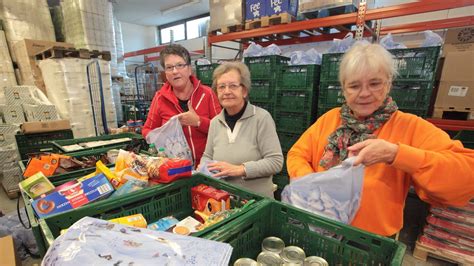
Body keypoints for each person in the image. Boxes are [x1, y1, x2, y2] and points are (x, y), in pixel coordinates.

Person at [287, 42, 474, 236]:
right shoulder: (331, 119)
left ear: (389, 83)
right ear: (343, 89)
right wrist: (308, 180)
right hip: (320, 231)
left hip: (369, 243)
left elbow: (467, 177)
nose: (365, 93)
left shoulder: (409, 127)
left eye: (375, 83)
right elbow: (297, 153)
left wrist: (395, 154)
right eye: (354, 86)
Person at [201, 61, 283, 198]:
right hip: (222, 201)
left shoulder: (261, 118)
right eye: (221, 87)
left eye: (233, 86)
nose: (226, 92)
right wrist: (203, 167)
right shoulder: (215, 122)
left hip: (255, 203)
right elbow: (207, 156)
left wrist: (240, 169)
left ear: (244, 91)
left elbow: (275, 162)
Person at [142, 44, 221, 166]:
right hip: (175, 169)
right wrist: (163, 134)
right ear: (165, 73)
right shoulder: (159, 98)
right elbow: (147, 130)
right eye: (169, 67)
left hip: (207, 168)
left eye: (180, 65)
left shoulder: (207, 94)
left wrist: (198, 122)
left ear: (189, 69)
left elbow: (222, 130)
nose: (175, 71)